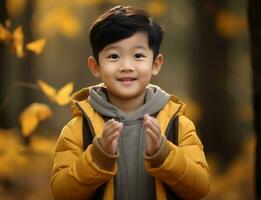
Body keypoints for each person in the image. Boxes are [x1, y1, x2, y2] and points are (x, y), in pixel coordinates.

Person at [50, 5, 210, 200]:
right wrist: (97, 159)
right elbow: (61, 193)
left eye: (138, 56)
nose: (126, 66)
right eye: (114, 56)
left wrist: (165, 155)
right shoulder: (79, 128)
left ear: (156, 64)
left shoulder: (178, 125)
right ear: (95, 66)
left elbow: (200, 187)